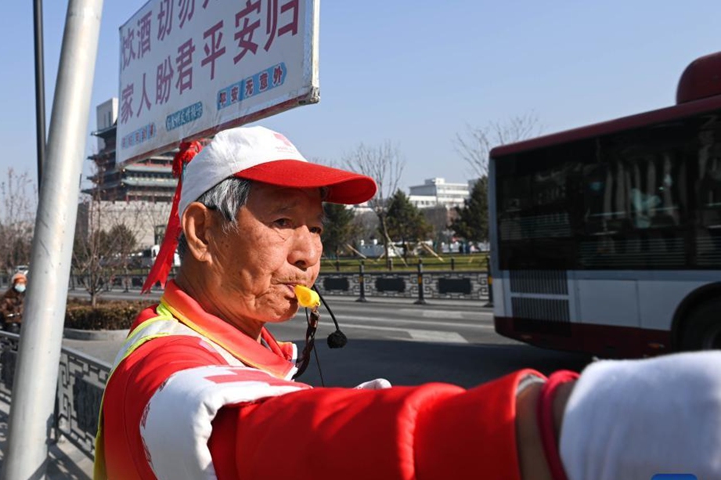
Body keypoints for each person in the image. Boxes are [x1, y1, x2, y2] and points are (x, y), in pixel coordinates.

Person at [96, 126, 721, 480]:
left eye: (316, 227)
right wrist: (561, 428)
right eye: (283, 220)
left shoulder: (248, 342)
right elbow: (250, 439)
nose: (309, 251)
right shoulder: (157, 368)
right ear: (202, 233)